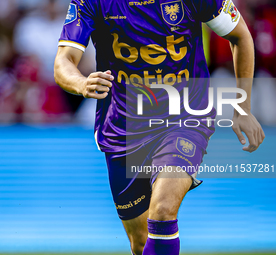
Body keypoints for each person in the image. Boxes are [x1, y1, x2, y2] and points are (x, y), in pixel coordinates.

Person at [54, 0, 265, 254]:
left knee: (163, 211)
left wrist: (243, 109)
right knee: (141, 241)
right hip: (123, 129)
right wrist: (81, 83)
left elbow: (241, 36)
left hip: (184, 119)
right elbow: (63, 61)